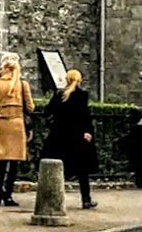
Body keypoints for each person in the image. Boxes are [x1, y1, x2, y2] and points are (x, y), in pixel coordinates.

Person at [39, 68, 99, 209]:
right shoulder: (81, 96)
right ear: (79, 80)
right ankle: (86, 199)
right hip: (77, 138)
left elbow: (47, 112)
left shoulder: (59, 95)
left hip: (59, 137)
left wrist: (53, 124)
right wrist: (87, 131)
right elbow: (84, 116)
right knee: (82, 171)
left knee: (58, 169)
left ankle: (53, 199)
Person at [0, 52, 35, 206]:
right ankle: (8, 194)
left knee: (1, 160)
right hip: (17, 125)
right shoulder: (22, 84)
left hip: (1, 123)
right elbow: (30, 107)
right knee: (14, 162)